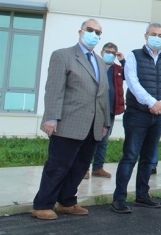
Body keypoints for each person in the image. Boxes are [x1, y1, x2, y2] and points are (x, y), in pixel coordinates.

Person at [31, 19, 110, 220]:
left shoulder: (100, 62)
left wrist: (105, 123)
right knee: (58, 166)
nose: (94, 35)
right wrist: (51, 117)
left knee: (80, 167)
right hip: (68, 123)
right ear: (80, 32)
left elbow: (103, 94)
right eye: (90, 30)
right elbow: (54, 89)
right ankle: (42, 205)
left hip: (93, 125)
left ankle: (67, 202)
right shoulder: (63, 55)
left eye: (98, 32)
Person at [111, 23, 161, 214]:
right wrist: (151, 102)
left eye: (160, 35)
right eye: (153, 34)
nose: (157, 37)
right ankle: (119, 198)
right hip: (137, 114)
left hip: (159, 115)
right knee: (130, 156)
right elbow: (133, 83)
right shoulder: (134, 56)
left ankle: (142, 194)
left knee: (148, 158)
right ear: (146, 36)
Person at [86, 42, 126, 179]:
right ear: (102, 52)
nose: (110, 55)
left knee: (104, 140)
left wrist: (123, 60)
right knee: (89, 139)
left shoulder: (119, 69)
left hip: (110, 109)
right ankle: (84, 168)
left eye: (113, 53)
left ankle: (98, 167)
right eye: (107, 52)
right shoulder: (94, 65)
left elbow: (131, 75)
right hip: (94, 108)